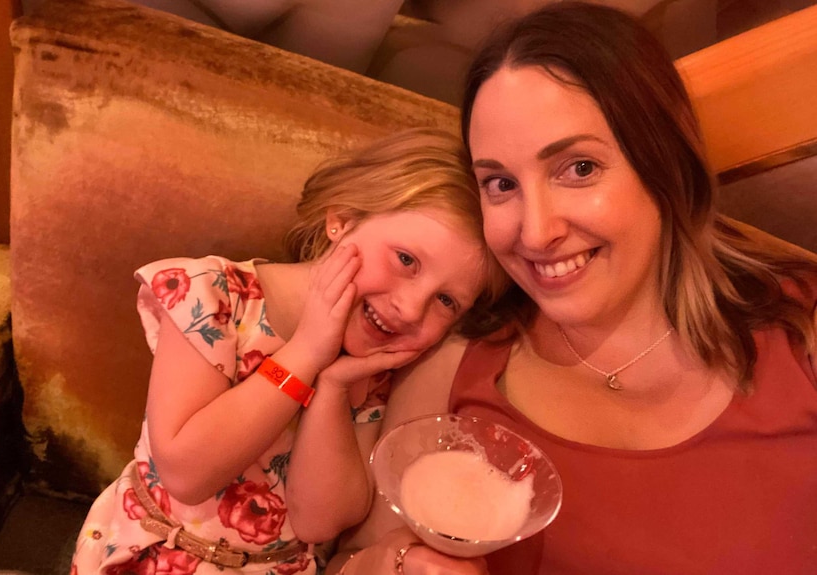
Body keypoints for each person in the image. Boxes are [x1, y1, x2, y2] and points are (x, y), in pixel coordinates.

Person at [330, 3, 817, 574]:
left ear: (665, 162)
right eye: (501, 183)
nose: (535, 232)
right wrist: (395, 559)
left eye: (578, 168)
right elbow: (352, 557)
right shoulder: (456, 363)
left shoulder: (801, 330)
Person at [68, 127, 509, 575]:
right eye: (406, 260)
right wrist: (306, 353)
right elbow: (187, 472)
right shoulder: (214, 296)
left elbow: (320, 521)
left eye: (446, 301)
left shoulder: (374, 370)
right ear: (342, 219)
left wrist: (334, 387)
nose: (411, 308)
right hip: (153, 552)